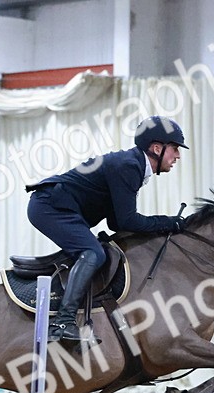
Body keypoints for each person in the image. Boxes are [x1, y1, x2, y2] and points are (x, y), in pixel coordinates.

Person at [25, 116, 188, 344]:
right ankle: (63, 322)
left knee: (100, 250)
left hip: (57, 205)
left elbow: (117, 222)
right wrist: (169, 222)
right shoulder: (129, 166)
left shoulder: (134, 166)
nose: (178, 156)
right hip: (49, 206)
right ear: (157, 148)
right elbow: (129, 221)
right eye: (175, 149)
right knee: (93, 253)